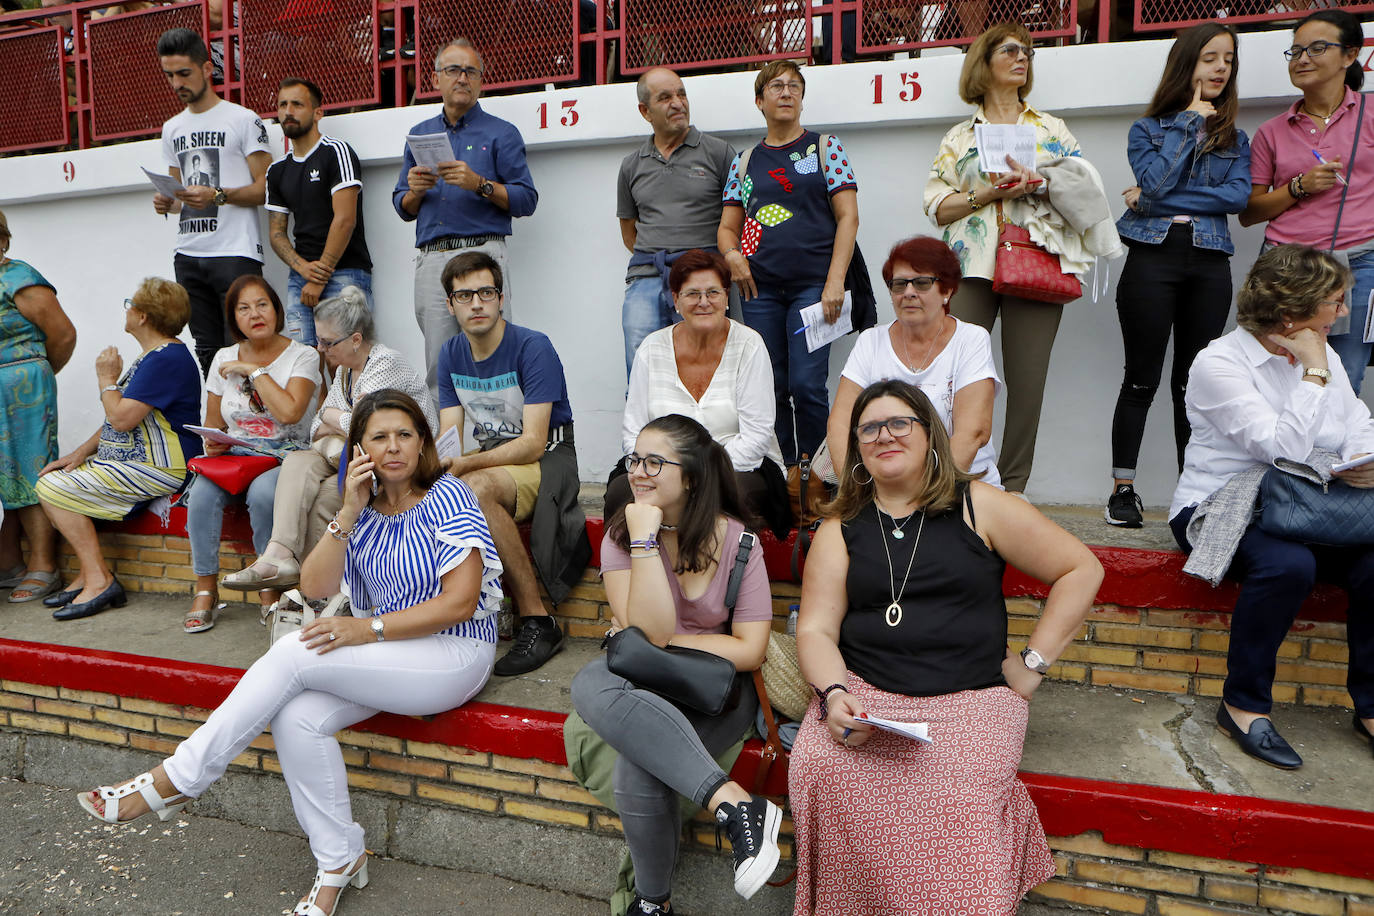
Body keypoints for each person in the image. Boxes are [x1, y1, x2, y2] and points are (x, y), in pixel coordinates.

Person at [77, 389, 501, 916]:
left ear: (422, 443)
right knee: (297, 717)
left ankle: (177, 779)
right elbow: (317, 583)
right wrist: (346, 511)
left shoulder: (448, 496)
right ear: (360, 447)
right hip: (388, 653)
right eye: (379, 437)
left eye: (404, 435)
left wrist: (365, 628)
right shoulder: (361, 509)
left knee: (294, 654)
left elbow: (461, 603)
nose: (393, 447)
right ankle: (338, 859)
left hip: (451, 652)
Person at [791, 379, 1101, 914]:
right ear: (857, 447)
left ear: (929, 433)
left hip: (972, 699)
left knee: (954, 798)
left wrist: (1032, 664)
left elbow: (1081, 569)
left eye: (898, 423)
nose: (884, 435)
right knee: (823, 767)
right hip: (868, 696)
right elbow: (816, 628)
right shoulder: (841, 528)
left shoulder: (980, 505)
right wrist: (835, 694)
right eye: (868, 428)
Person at [1169, 245, 1374, 771]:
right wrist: (1311, 373)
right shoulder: (1220, 362)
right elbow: (1280, 449)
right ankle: (1242, 706)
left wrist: (1364, 464)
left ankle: (1371, 708)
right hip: (1221, 506)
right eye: (1335, 301)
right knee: (1289, 564)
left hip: (1311, 502)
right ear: (1293, 313)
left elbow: (1358, 425)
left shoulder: (1325, 353)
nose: (1344, 312)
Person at [571, 414, 782, 914]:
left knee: (639, 766)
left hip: (717, 692)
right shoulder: (624, 538)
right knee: (589, 683)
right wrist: (644, 543)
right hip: (648, 686)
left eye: (653, 462)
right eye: (634, 460)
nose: (638, 473)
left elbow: (750, 648)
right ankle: (734, 807)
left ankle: (651, 903)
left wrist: (667, 645)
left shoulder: (740, 542)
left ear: (690, 476)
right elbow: (644, 632)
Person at [924, 22, 1083, 495]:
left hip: (1037, 262)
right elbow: (936, 205)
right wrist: (986, 193)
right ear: (984, 62)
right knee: (954, 375)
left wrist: (1043, 183)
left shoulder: (1051, 130)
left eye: (1028, 52)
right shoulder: (960, 136)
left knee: (1027, 381)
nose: (1023, 58)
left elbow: (1085, 194)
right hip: (971, 266)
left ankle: (1012, 489)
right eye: (1010, 50)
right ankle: (947, 479)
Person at [1107, 23, 1250, 528]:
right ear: (1185, 64)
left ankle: (1194, 494)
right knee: (1141, 378)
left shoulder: (1236, 137)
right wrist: (1189, 124)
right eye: (1210, 57)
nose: (1220, 68)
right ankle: (1123, 491)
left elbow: (1236, 199)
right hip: (1153, 258)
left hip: (1210, 262)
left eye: (1228, 60)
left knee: (1194, 383)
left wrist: (1153, 202)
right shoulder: (1147, 130)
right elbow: (1154, 179)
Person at [222, 287, 435, 595]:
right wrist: (341, 419)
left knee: (324, 496)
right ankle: (280, 555)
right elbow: (315, 428)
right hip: (358, 461)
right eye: (319, 340)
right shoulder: (346, 371)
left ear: (356, 340)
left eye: (327, 342)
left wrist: (337, 419)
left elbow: (366, 429)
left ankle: (317, 591)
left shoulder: (386, 364)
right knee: (299, 459)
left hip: (401, 465)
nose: (320, 348)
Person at [436, 252, 589, 676]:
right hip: (494, 458)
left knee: (475, 488)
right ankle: (450, 610)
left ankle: (537, 619)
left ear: (501, 298)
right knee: (431, 490)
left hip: (551, 457)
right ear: (450, 305)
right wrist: (439, 466)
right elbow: (451, 434)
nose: (476, 304)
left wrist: (466, 466)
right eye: (464, 295)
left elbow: (533, 443)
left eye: (485, 292)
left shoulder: (532, 346)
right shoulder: (450, 354)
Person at [717, 60, 859, 466]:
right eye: (776, 86)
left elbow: (848, 217)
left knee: (808, 384)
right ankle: (784, 476)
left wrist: (835, 281)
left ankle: (817, 474)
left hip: (814, 287)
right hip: (758, 291)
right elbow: (727, 227)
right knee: (771, 386)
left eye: (795, 86)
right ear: (760, 101)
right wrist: (732, 258)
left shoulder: (824, 148)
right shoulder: (743, 161)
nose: (787, 92)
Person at [36, 278, 201, 621]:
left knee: (50, 488)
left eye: (131, 303)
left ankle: (100, 579)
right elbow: (123, 417)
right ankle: (88, 573)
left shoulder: (166, 358)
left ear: (143, 316)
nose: (127, 309)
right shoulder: (154, 357)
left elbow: (121, 418)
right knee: (56, 477)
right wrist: (80, 452)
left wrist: (105, 378)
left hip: (160, 466)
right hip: (133, 462)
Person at [1240, 10, 1374, 395]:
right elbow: (1250, 212)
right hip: (1286, 267)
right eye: (1295, 51)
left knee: (1344, 378)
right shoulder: (1271, 132)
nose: (1302, 59)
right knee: (1274, 374)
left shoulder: (1369, 114)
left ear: (1350, 56)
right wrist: (1299, 186)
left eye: (1317, 48)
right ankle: (1281, 455)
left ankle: (1328, 457)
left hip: (1359, 264)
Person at [612, 248, 791, 537]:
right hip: (662, 468)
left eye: (713, 293)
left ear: (726, 297)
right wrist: (667, 471)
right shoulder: (651, 348)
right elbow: (633, 432)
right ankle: (639, 579)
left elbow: (757, 437)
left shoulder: (749, 346)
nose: (704, 302)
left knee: (725, 500)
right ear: (676, 300)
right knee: (619, 496)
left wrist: (697, 473)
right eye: (693, 294)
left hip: (738, 467)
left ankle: (719, 581)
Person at [394, 38, 538, 393]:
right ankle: (445, 449)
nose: (462, 78)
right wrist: (415, 191)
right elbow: (402, 206)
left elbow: (527, 200)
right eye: (453, 70)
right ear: (435, 79)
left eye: (470, 71)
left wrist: (480, 184)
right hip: (433, 260)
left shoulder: (501, 132)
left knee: (493, 358)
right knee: (439, 364)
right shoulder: (421, 135)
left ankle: (501, 446)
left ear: (480, 80)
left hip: (483, 254)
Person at [184, 276, 321, 633]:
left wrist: (254, 371)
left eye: (262, 305)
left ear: (276, 309)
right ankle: (205, 590)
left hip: (287, 455)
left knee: (264, 494)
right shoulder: (223, 358)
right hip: (238, 456)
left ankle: (269, 591)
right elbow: (214, 421)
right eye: (243, 309)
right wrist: (214, 442)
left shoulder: (303, 355)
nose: (255, 314)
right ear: (234, 318)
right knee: (200, 494)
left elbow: (291, 413)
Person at [826, 236, 1001, 487]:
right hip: (882, 489)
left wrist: (923, 499)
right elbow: (840, 423)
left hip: (956, 485)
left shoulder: (971, 340)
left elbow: (973, 433)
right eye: (899, 284)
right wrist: (855, 490)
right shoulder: (870, 341)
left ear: (947, 290)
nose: (908, 292)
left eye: (922, 283)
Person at [153, 27, 274, 377]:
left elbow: (267, 188)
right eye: (170, 75)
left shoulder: (242, 119)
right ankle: (217, 427)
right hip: (189, 251)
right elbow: (180, 197)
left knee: (245, 344)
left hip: (235, 251)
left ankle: (251, 425)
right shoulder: (171, 128)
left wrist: (218, 195)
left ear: (207, 69)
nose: (177, 83)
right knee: (206, 349)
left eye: (184, 74)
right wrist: (167, 202)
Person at [617, 67, 737, 378]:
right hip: (647, 276)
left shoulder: (719, 153)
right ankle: (648, 427)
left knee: (707, 371)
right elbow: (629, 232)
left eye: (681, 94)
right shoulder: (631, 165)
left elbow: (738, 218)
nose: (678, 103)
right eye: (665, 97)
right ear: (645, 111)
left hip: (704, 278)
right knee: (642, 368)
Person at [0, 207, 77, 605]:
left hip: (23, 386)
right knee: (5, 476)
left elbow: (62, 336)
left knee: (31, 473)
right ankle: (10, 561)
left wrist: (36, 376)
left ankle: (44, 565)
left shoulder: (20, 279)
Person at [266, 77, 374, 347]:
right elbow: (277, 233)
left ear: (317, 113)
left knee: (347, 359)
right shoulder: (277, 171)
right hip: (299, 278)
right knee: (306, 363)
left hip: (344, 271)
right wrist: (302, 269)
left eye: (297, 104)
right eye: (282, 105)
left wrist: (319, 276)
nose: (288, 111)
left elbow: (345, 219)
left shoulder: (336, 152)